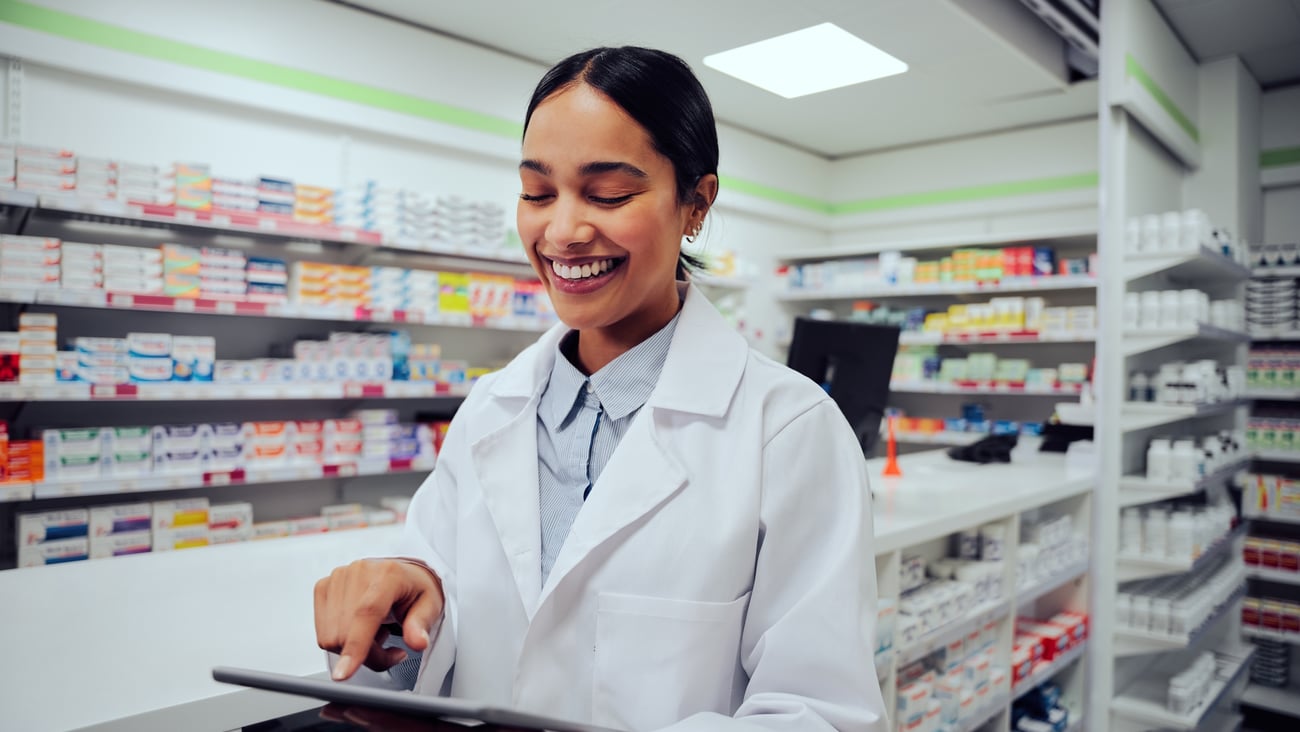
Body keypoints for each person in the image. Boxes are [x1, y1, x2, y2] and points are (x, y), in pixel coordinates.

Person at [313, 46, 887, 732]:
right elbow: (445, 642)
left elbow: (820, 713)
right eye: (536, 192)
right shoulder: (491, 410)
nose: (562, 231)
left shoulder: (788, 429)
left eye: (608, 193)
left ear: (695, 204)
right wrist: (403, 605)